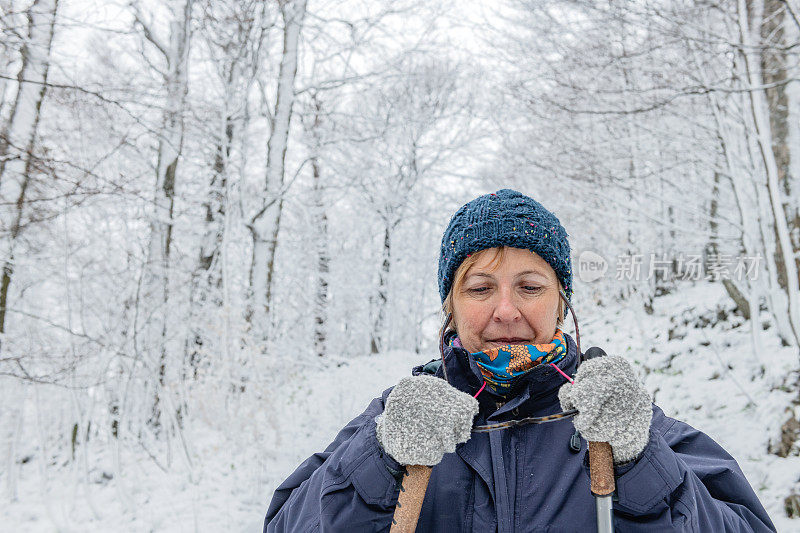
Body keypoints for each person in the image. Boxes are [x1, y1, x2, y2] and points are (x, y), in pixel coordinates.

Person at [263, 189, 776, 532]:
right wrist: (380, 459)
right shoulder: (394, 423)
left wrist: (643, 464)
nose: (505, 311)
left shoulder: (620, 424)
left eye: (529, 287)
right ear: (451, 305)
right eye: (480, 288)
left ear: (562, 301)